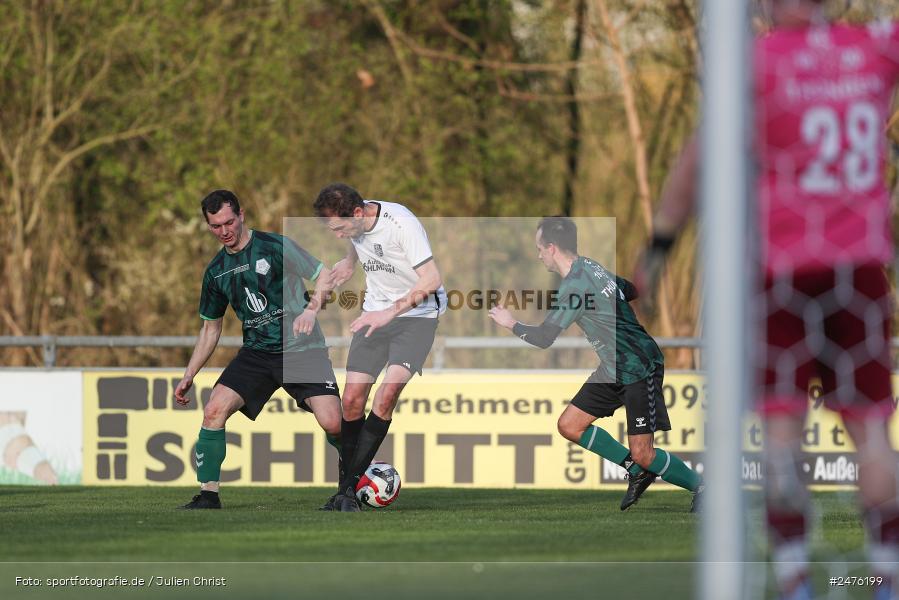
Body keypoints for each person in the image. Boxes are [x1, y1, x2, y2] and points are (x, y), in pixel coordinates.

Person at [638, 2, 899, 597]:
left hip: (780, 273)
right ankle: (887, 572)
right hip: (858, 272)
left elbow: (696, 162)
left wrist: (657, 249)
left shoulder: (756, 61)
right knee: (873, 434)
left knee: (782, 433)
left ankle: (793, 578)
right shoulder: (876, 48)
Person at [488, 216, 704, 512]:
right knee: (570, 425)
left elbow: (544, 338)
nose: (538, 255)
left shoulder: (574, 286)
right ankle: (636, 471)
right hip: (613, 366)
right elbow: (630, 289)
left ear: (551, 248)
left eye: (539, 248)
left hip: (638, 365)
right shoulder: (592, 267)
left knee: (645, 453)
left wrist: (511, 323)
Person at [174, 189, 342, 510]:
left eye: (228, 222)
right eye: (215, 226)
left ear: (241, 215)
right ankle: (208, 495)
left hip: (302, 349)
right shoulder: (216, 272)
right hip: (257, 353)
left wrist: (311, 310)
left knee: (333, 423)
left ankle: (349, 484)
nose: (224, 231)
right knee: (214, 410)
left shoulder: (274, 246)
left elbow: (323, 275)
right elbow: (211, 328)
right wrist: (189, 374)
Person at [313, 183, 446, 512]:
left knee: (386, 396)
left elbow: (431, 279)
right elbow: (360, 241)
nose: (339, 235)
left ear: (357, 213)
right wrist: (349, 261)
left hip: (417, 317)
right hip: (375, 314)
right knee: (351, 400)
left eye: (341, 228)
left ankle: (346, 491)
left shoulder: (401, 223)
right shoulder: (356, 226)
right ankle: (346, 491)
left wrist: (390, 311)